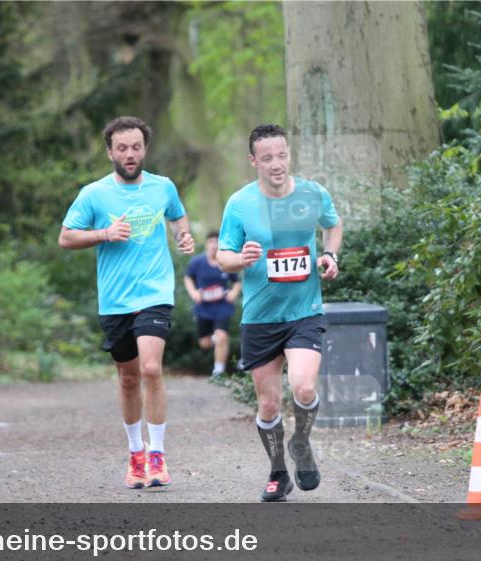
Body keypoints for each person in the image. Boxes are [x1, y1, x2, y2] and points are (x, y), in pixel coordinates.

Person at [59, 115, 194, 490]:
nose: (130, 154)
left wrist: (183, 235)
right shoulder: (94, 194)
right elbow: (66, 238)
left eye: (136, 147)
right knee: (129, 377)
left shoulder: (163, 187)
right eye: (122, 148)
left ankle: (157, 455)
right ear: (110, 152)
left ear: (144, 149)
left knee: (151, 368)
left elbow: (178, 216)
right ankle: (135, 454)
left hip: (155, 292)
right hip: (115, 298)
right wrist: (104, 233)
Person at [216, 124, 343, 502]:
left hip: (304, 311)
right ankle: (277, 473)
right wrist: (241, 258)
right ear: (253, 161)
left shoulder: (311, 193)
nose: (276, 164)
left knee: (303, 388)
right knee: (269, 404)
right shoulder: (240, 204)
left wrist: (330, 256)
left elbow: (333, 227)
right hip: (260, 317)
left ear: (289, 154)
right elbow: (223, 257)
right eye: (267, 158)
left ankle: (301, 442)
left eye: (281, 155)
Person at [183, 231, 241, 376]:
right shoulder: (197, 262)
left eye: (217, 242)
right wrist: (194, 293)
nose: (214, 245)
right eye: (211, 242)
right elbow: (188, 278)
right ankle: (220, 342)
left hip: (222, 307)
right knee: (205, 343)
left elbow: (236, 282)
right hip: (203, 307)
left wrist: (233, 293)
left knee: (221, 336)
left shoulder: (225, 262)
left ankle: (218, 370)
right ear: (207, 244)